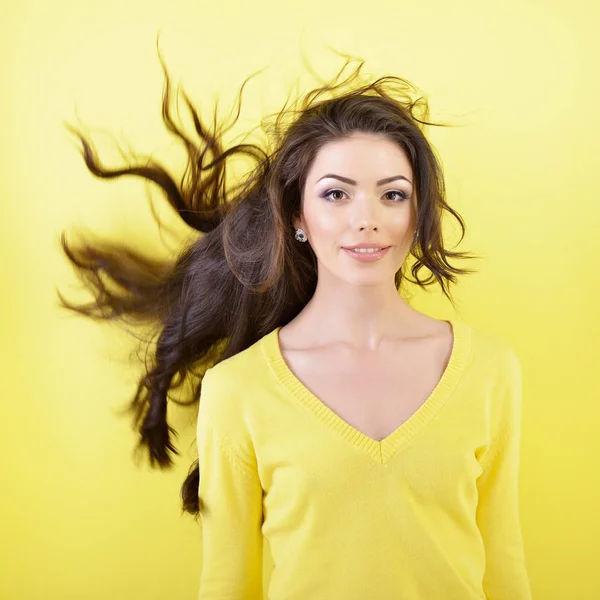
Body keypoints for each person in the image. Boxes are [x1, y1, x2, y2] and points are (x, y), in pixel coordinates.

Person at [58, 49, 532, 599]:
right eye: (336, 193)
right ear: (297, 216)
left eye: (393, 194)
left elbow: (503, 564)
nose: (367, 219)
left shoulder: (491, 370)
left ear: (417, 211)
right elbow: (226, 585)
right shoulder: (238, 390)